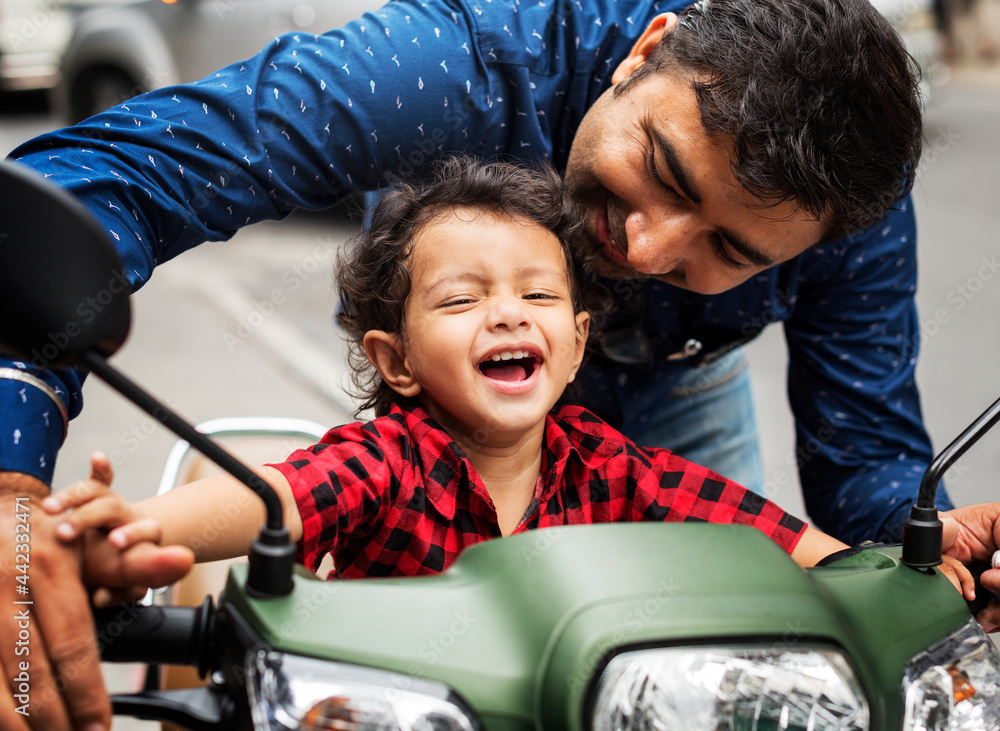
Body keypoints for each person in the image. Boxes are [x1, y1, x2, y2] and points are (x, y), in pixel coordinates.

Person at [0, 0, 987, 728]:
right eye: (666, 171)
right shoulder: (458, 64)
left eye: (729, 253)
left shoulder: (847, 215)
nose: (644, 256)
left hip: (669, 404)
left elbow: (867, 491)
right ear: (645, 52)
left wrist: (941, 551)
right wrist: (23, 493)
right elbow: (108, 181)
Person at [43, 157, 859, 583]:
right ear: (394, 361)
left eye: (538, 294)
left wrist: (885, 574)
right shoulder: (385, 462)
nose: (508, 313)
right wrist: (135, 531)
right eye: (462, 299)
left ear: (575, 345)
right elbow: (281, 496)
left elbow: (767, 535)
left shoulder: (610, 467)